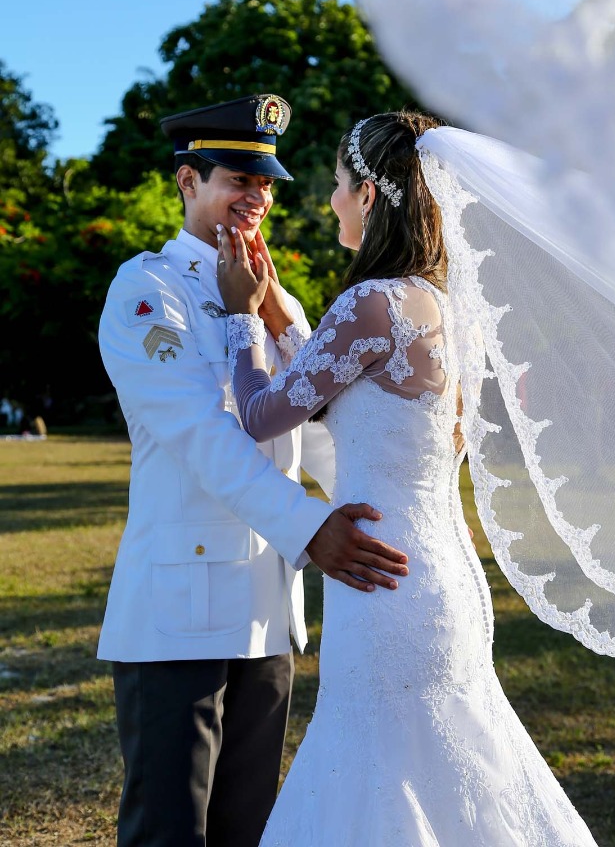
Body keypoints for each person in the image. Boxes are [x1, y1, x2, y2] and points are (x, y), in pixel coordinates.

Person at [215, 109, 599, 845]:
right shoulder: (452, 310)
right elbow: (352, 393)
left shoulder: (371, 302)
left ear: (369, 194)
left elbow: (265, 413)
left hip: (382, 587)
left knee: (380, 777)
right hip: (443, 576)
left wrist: (240, 319)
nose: (329, 199)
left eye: (334, 183)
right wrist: (279, 310)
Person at [96, 94, 409, 847]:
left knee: (249, 831)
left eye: (267, 183)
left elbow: (332, 422)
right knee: (169, 831)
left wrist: (278, 319)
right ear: (187, 183)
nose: (257, 198)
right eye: (238, 178)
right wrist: (313, 528)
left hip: (269, 614)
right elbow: (203, 437)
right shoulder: (148, 291)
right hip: (179, 616)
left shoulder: (278, 298)